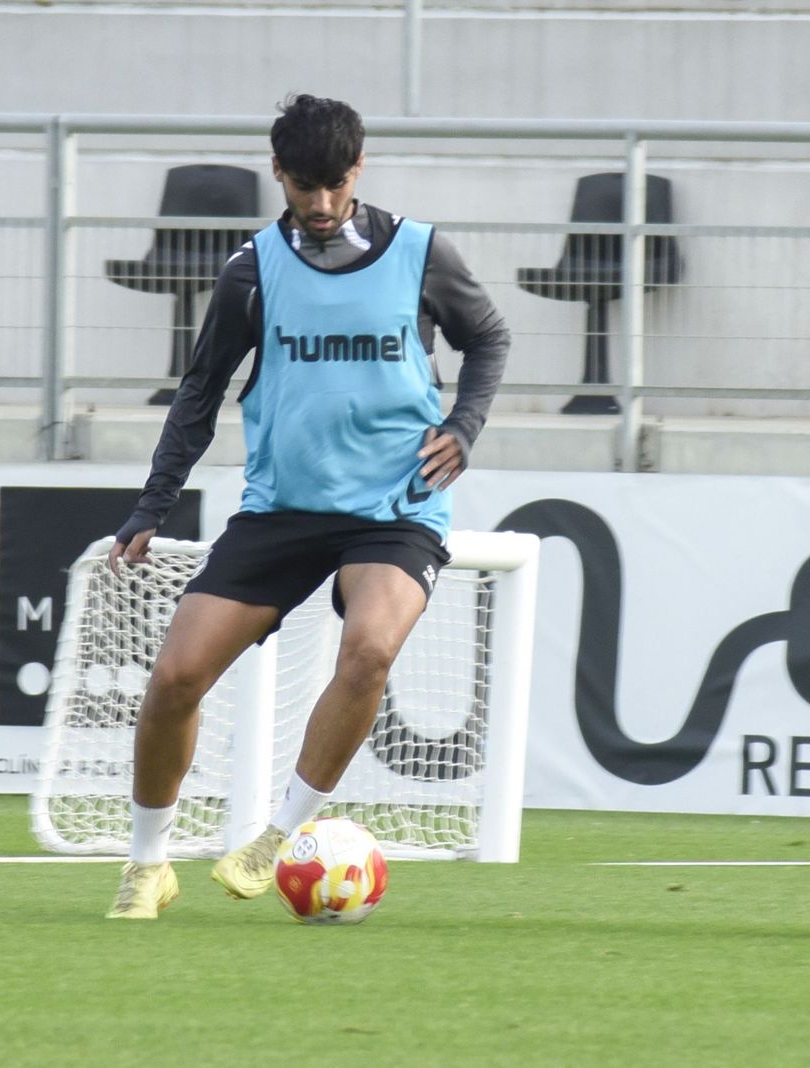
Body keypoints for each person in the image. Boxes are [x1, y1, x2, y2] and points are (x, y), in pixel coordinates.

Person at [105, 93, 511, 919]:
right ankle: (148, 863)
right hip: (283, 508)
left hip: (396, 506)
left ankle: (279, 835)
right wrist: (154, 503)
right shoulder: (252, 269)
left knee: (367, 652)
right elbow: (200, 390)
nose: (322, 207)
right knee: (177, 676)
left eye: (335, 185)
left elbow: (490, 337)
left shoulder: (422, 253)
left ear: (357, 171)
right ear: (278, 172)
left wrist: (465, 425)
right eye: (305, 188)